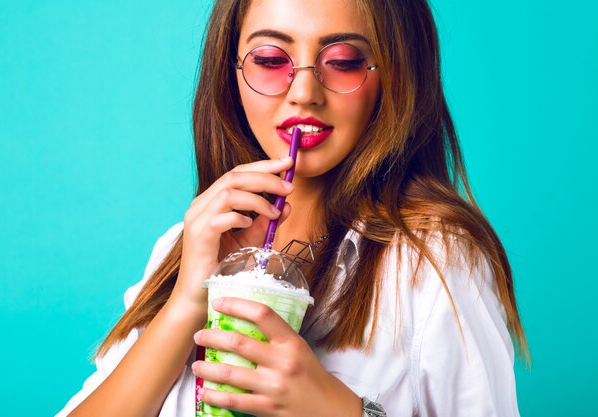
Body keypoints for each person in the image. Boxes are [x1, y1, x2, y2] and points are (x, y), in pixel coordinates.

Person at [57, 0, 529, 416]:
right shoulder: (191, 243)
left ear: (397, 72)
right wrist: (184, 304)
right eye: (269, 59)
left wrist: (338, 411)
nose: (304, 92)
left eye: (344, 61)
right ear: (232, 72)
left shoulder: (435, 261)